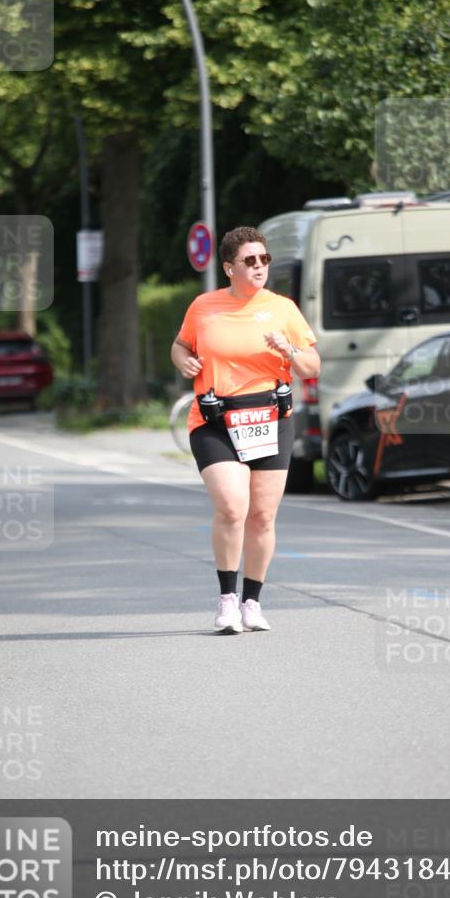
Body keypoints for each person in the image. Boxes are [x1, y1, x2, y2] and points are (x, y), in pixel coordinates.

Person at [171, 226, 320, 634]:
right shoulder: (204, 306)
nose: (259, 267)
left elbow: (311, 367)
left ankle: (252, 602)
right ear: (228, 268)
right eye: (250, 261)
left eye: (264, 260)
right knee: (233, 507)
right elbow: (181, 344)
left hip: (270, 421)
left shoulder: (283, 309)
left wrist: (287, 350)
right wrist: (182, 360)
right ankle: (227, 600)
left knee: (263, 516)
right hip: (216, 422)